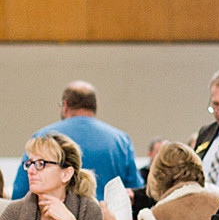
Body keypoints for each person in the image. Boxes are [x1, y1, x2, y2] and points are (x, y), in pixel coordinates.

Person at [13, 81, 143, 201]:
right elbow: (134, 189)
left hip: (55, 218)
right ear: (95, 106)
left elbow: (21, 190)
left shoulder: (43, 138)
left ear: (65, 105)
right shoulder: (120, 140)